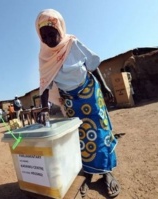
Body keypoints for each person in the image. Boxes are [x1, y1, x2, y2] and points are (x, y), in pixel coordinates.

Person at [35, 9, 120, 197]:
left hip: (90, 92)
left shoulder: (72, 44)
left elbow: (92, 65)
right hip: (71, 101)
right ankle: (87, 173)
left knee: (100, 131)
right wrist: (43, 108)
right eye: (44, 37)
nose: (49, 39)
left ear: (60, 29)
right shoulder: (44, 57)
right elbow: (45, 85)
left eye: (52, 34)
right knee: (79, 136)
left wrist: (105, 87)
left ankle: (106, 173)